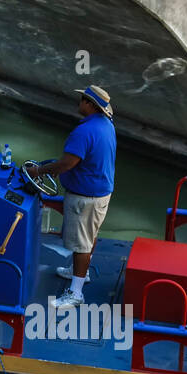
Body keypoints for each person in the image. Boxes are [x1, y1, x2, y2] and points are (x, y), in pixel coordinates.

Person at [24, 85, 116, 309]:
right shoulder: (106, 126)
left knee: (82, 244)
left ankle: (76, 292)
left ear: (91, 105)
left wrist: (40, 171)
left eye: (83, 99)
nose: (79, 102)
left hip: (84, 198)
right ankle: (80, 273)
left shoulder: (83, 132)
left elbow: (67, 163)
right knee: (89, 235)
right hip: (101, 193)